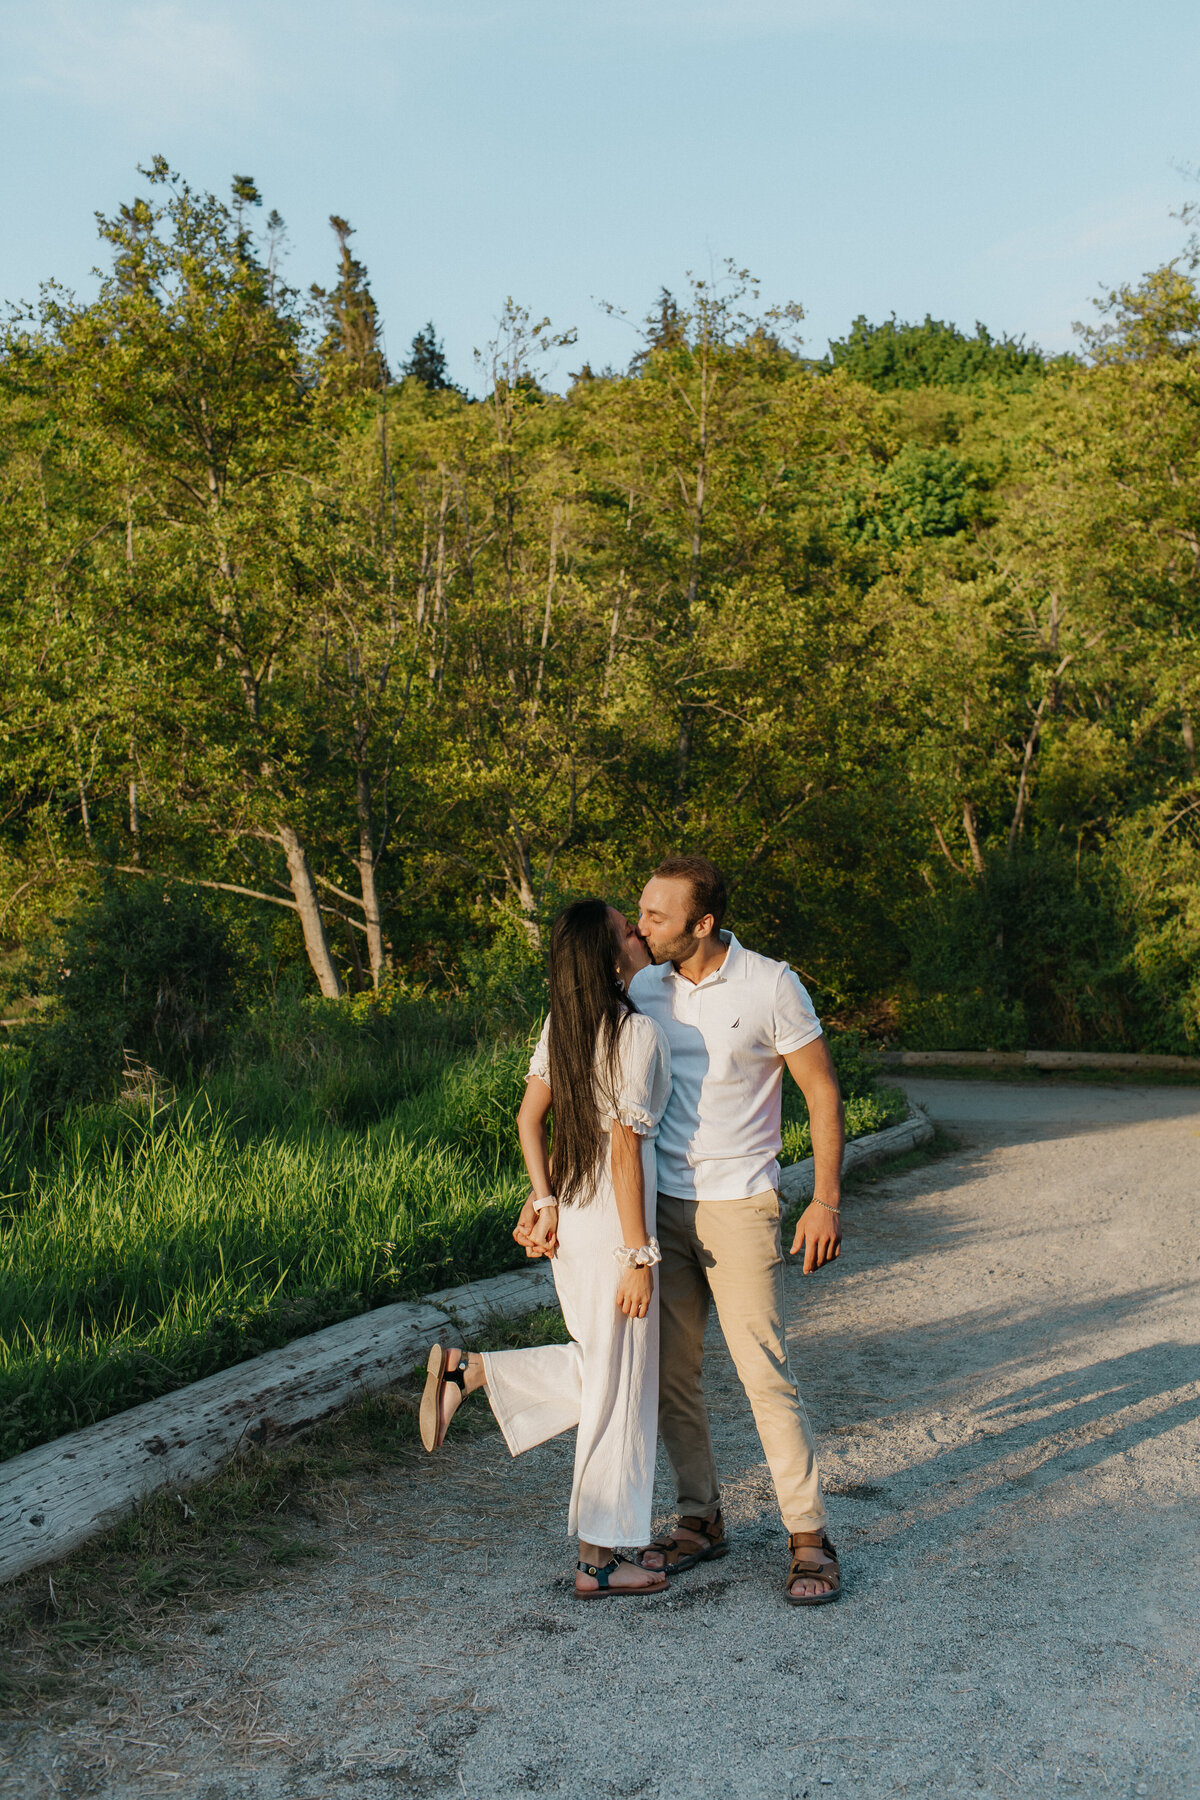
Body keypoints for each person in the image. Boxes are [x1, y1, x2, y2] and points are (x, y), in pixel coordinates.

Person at [419, 899, 673, 1599]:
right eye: (627, 929)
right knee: (618, 1387)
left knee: (603, 1374)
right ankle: (597, 1561)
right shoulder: (635, 1033)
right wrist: (639, 1256)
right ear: (608, 953)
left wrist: (547, 1199)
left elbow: (529, 1118)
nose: (637, 934)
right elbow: (625, 1150)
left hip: (578, 1224)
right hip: (616, 1231)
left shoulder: (565, 1023)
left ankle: (471, 1375)